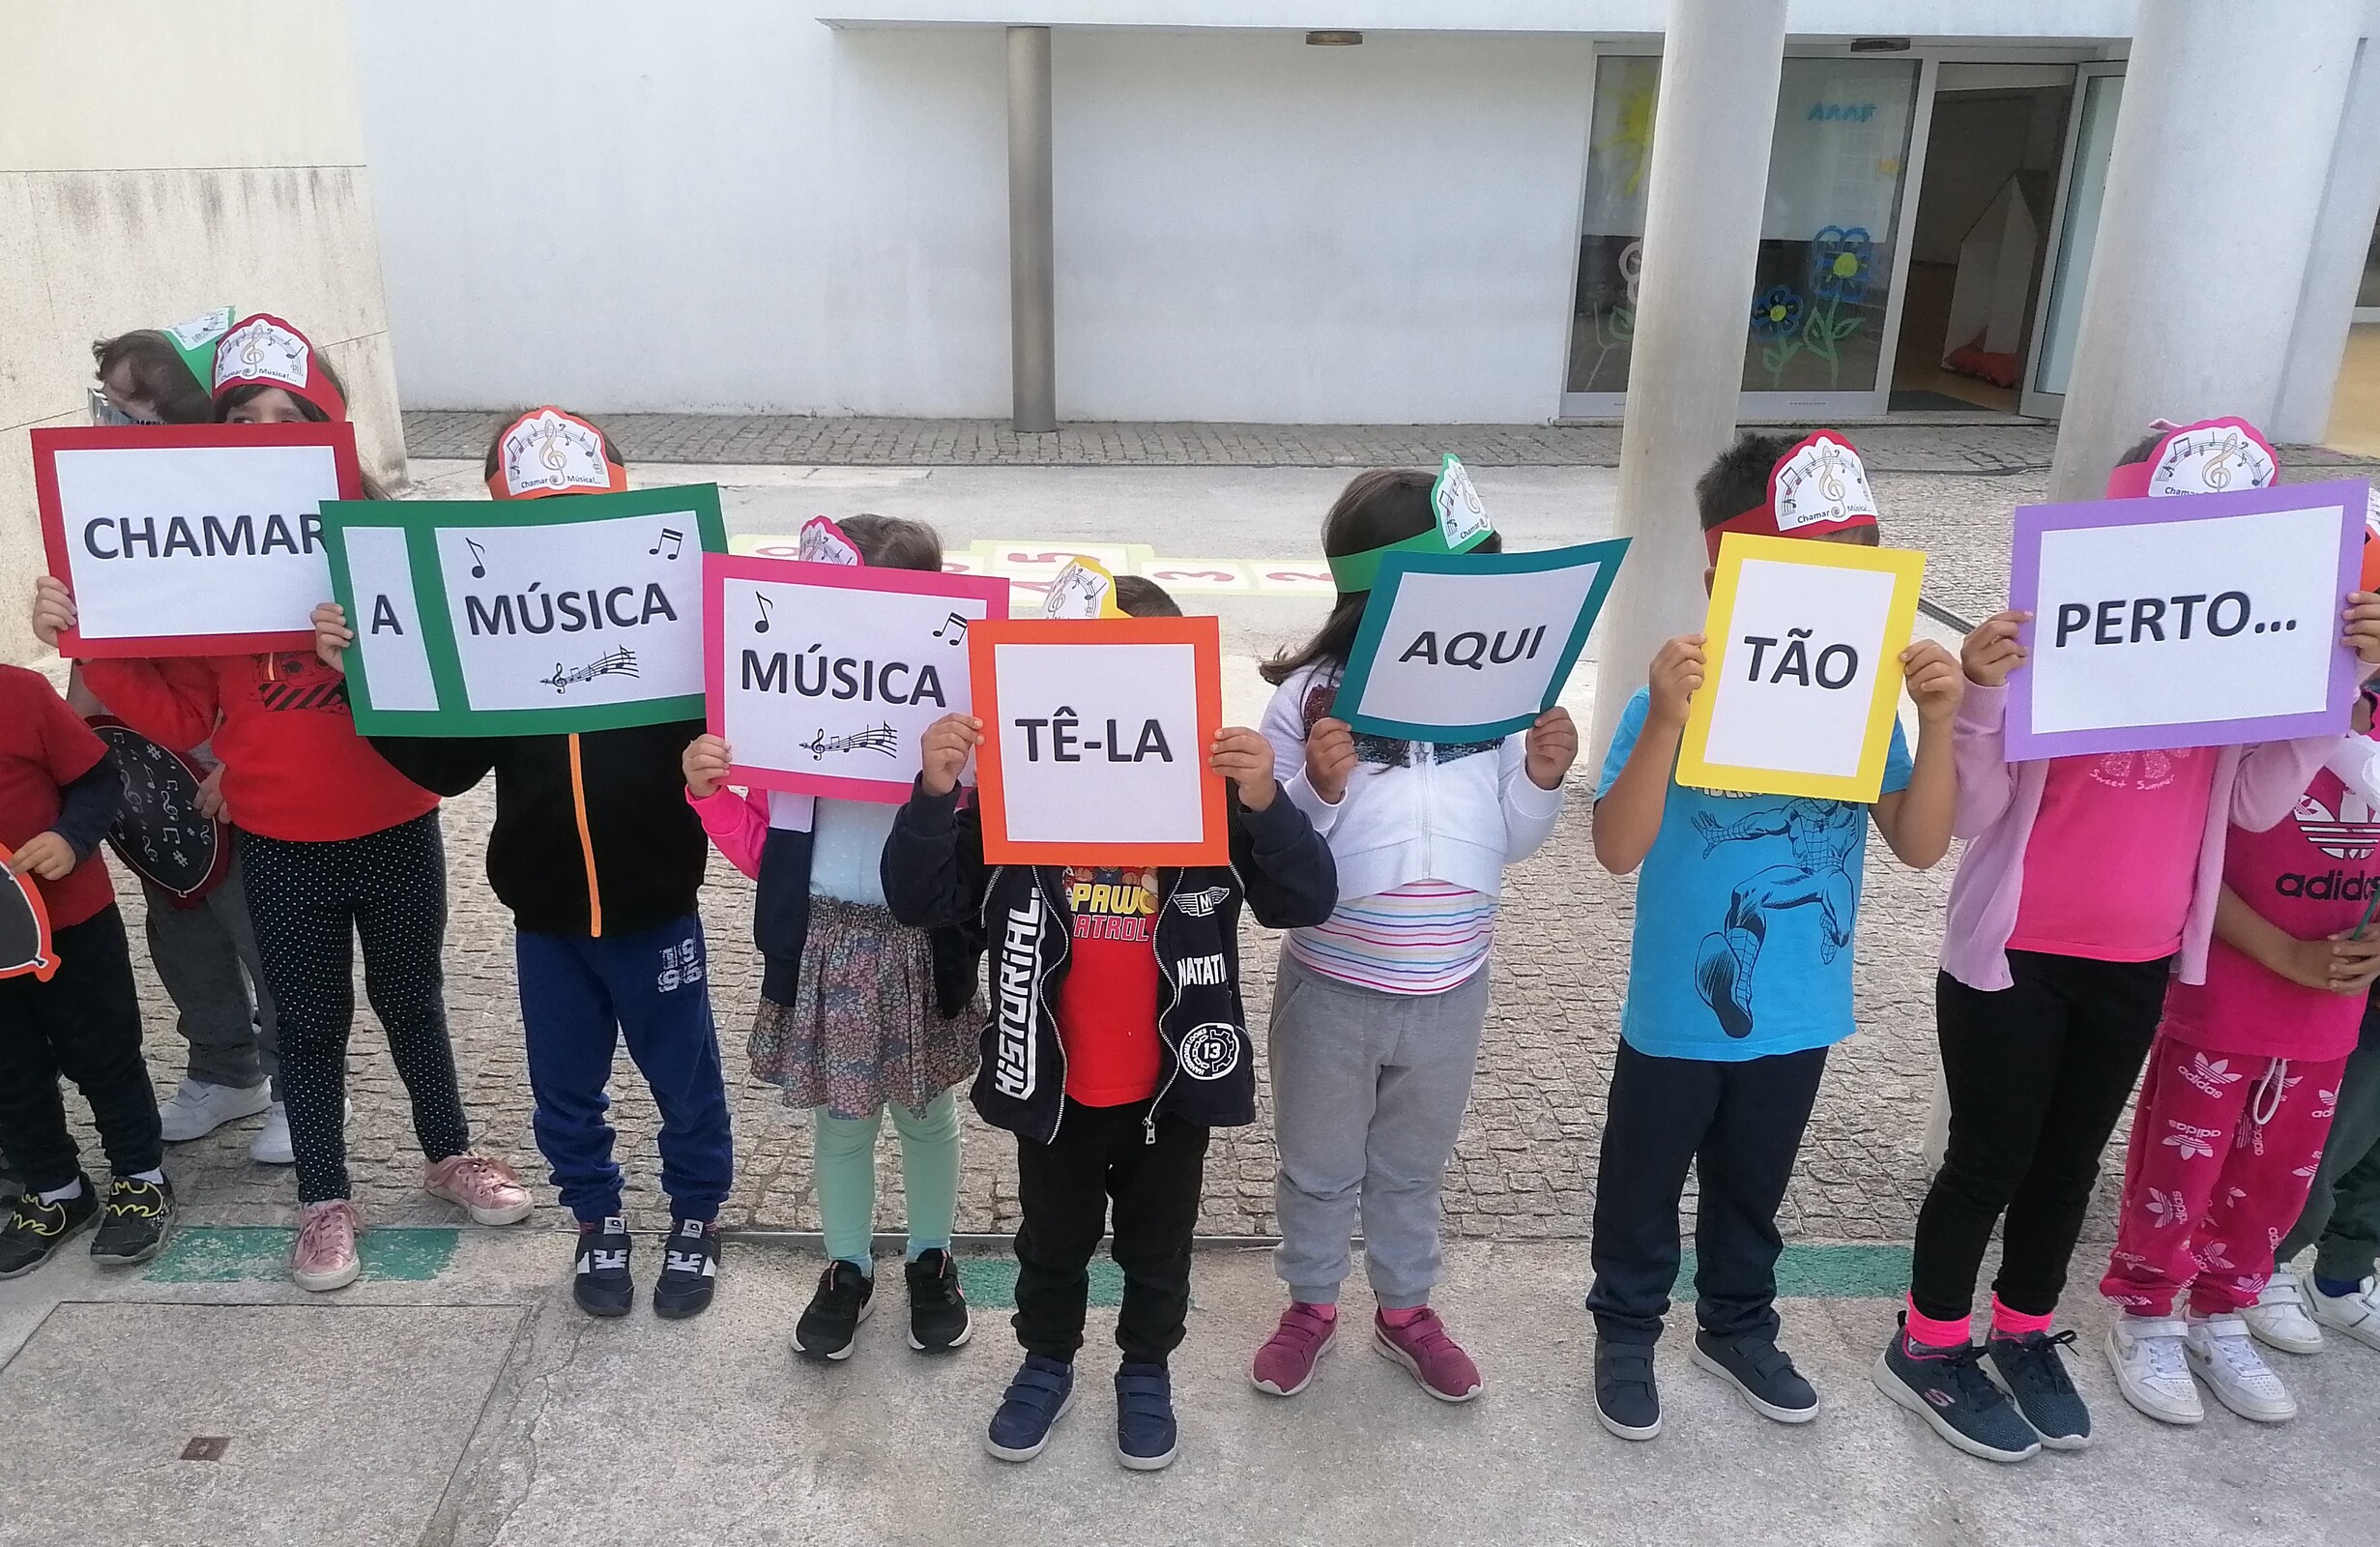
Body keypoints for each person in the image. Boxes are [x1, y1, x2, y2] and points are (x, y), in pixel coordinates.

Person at [1875, 418, 2380, 1462]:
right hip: (2012, 957)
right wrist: (1980, 696)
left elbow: (2253, 803)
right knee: (1988, 1159)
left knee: (2067, 1164)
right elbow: (1973, 814)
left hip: (2139, 958)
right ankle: (1926, 1344)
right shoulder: (2049, 638)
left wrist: (2331, 689)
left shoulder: (2227, 669)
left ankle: (2023, 1328)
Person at [30, 313, 530, 1295]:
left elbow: (459, 676)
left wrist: (372, 653)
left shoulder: (386, 542)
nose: (264, 431)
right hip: (280, 839)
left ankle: (448, 1150)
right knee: (306, 1022)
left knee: (412, 1000)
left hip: (395, 822)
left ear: (327, 422)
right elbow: (184, 712)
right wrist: (87, 638)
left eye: (288, 413)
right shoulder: (206, 562)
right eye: (242, 416)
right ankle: (323, 1197)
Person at [884, 576, 1337, 1471]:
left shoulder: (1208, 799)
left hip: (1172, 1085)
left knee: (1158, 1247)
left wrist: (1266, 801)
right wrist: (935, 794)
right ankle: (1046, 1362)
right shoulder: (1015, 800)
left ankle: (1145, 1369)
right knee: (1051, 1243)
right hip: (1053, 1083)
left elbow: (1304, 900)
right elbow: (918, 898)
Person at [1584, 431, 1963, 1440]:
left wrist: (1938, 722)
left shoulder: (1865, 709)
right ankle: (1625, 1327)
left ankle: (1737, 1323)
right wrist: (1664, 722)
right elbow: (1615, 849)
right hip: (1675, 1011)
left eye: (1858, 570)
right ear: (1727, 581)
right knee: (1642, 1178)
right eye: (1811, 573)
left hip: (1798, 1007)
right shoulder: (1668, 701)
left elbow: (1920, 843)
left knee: (1754, 1184)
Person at [314, 408, 731, 1320]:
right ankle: (596, 1218)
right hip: (546, 919)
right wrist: (362, 679)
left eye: (579, 509)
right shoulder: (497, 643)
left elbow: (736, 721)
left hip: (658, 905)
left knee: (686, 1082)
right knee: (564, 1091)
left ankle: (696, 1216)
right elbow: (451, 768)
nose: (559, 534)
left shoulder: (676, 619)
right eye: (537, 514)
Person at [1249, 469, 1575, 1405]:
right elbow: (1280, 853)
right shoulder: (1307, 697)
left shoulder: (1496, 690)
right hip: (1331, 984)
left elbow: (1510, 839)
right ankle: (1310, 1303)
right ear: (1383, 593)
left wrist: (1541, 777)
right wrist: (1316, 787)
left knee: (1410, 1168)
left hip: (1450, 990)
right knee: (1318, 1165)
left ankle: (1405, 1309)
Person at [681, 514, 975, 1353]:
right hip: (825, 944)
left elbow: (978, 846)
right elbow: (767, 855)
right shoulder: (785, 718)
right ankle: (847, 1265)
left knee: (926, 1112)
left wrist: (951, 776)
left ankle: (931, 1258)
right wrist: (710, 795)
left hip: (920, 945)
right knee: (843, 1124)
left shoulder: (957, 724)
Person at [2096, 699, 2380, 1425]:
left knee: (2276, 1179)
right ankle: (2145, 1311)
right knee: (2179, 1172)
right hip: (2223, 997)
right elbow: (2188, 850)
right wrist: (2282, 953)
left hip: (2329, 1009)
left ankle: (2222, 1312)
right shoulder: (2252, 707)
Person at [82, 315, 287, 1163]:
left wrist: (244, 756)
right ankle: (223, 1069)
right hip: (142, 744)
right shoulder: (103, 493)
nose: (114, 416)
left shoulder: (247, 496)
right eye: (109, 399)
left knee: (260, 924)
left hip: (229, 749)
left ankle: (300, 1082)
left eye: (134, 401)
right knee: (179, 921)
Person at [0, 663, 172, 1275]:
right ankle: (54, 1189)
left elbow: (100, 780)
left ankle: (141, 1177)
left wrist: (70, 838)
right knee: (11, 1070)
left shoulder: (20, 693)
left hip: (73, 920)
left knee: (104, 1054)